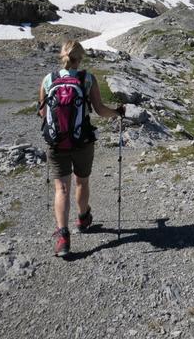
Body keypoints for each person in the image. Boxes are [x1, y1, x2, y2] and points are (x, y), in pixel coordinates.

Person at [39, 40, 125, 257]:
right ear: (80, 57)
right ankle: (83, 218)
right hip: (82, 141)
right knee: (82, 181)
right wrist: (117, 113)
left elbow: (42, 113)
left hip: (56, 143)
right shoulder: (87, 79)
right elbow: (100, 110)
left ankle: (63, 237)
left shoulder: (49, 79)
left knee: (61, 189)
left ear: (62, 56)